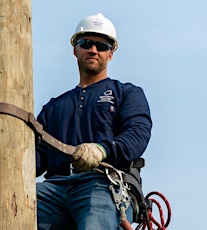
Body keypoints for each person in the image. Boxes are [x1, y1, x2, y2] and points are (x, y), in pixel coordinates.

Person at [36, 13, 152, 230]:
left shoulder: (126, 93)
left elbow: (137, 135)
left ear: (111, 54)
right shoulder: (53, 108)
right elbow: (34, 157)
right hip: (54, 189)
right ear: (75, 50)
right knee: (12, 206)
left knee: (95, 224)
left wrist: (101, 149)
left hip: (102, 183)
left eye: (102, 45)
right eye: (86, 43)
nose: (93, 50)